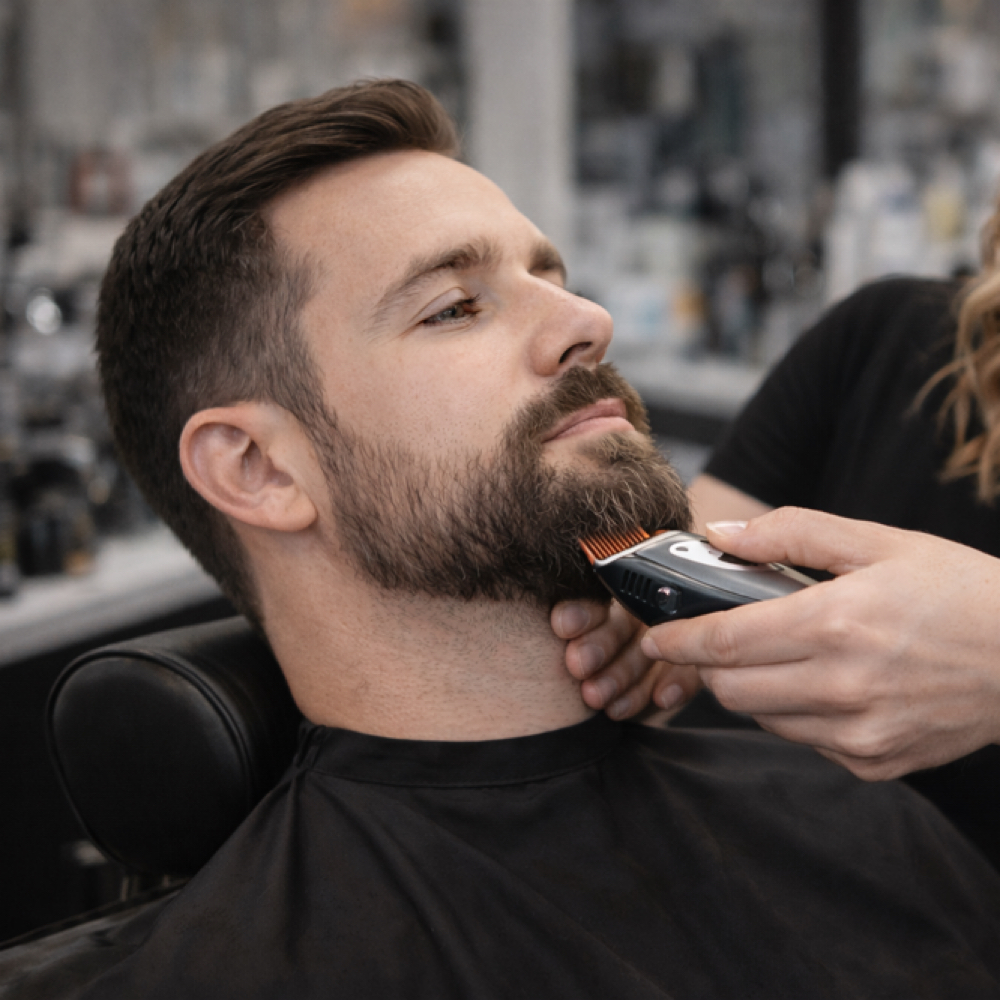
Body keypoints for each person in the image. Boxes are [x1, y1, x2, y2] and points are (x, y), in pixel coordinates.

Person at [12, 80, 1000, 998]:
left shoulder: (865, 833)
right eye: (454, 307)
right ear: (258, 469)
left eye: (550, 276)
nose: (588, 321)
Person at [554, 271, 1000, 867]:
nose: (590, 322)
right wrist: (653, 634)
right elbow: (697, 548)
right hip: (712, 837)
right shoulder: (892, 333)